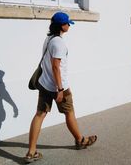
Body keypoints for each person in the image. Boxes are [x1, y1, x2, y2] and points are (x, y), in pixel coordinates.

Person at [24, 12, 97, 164]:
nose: (69, 25)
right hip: (58, 86)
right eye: (67, 23)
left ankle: (31, 152)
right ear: (61, 25)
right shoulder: (59, 43)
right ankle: (80, 140)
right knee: (69, 113)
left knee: (39, 114)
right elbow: (56, 67)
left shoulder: (48, 39)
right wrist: (60, 89)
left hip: (44, 84)